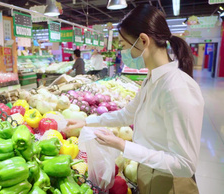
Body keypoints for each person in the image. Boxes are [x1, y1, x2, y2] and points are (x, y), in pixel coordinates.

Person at [66, 5, 203, 194]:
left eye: (123, 45)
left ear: (143, 40)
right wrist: (86, 122)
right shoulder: (152, 79)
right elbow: (128, 114)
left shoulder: (177, 88)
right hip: (150, 171)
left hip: (171, 182)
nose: (123, 53)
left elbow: (184, 164)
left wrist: (123, 145)